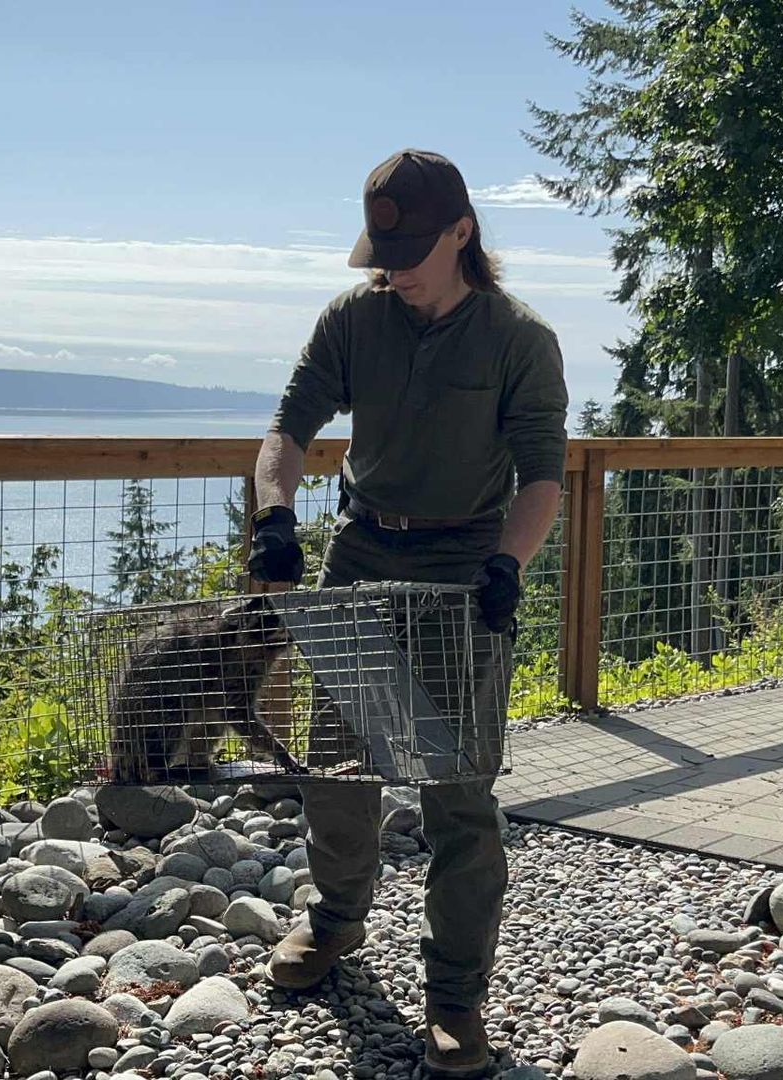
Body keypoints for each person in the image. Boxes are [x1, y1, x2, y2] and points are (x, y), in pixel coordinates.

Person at [244, 148, 569, 1077]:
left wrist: (508, 563)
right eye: (382, 255)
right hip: (360, 553)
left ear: (463, 232)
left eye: (411, 253)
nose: (394, 271)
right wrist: (274, 516)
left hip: (463, 566)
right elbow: (288, 429)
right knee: (337, 767)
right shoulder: (355, 317)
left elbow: (542, 477)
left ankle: (457, 997)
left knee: (457, 792)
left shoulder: (518, 338)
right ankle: (336, 922)